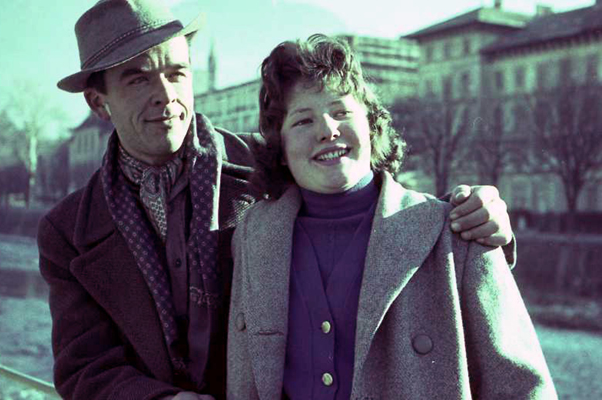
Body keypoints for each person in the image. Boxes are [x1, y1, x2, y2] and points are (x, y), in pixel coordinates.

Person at [38, 1, 515, 399]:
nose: (165, 95)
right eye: (137, 79)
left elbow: (373, 196)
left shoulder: (273, 161)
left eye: (176, 72)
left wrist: (472, 214)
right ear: (98, 102)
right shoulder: (67, 231)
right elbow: (84, 368)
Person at [226, 34, 557, 399]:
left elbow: (524, 388)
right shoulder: (251, 236)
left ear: (371, 125)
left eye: (341, 112)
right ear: (281, 148)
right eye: (303, 121)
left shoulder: (457, 230)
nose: (327, 130)